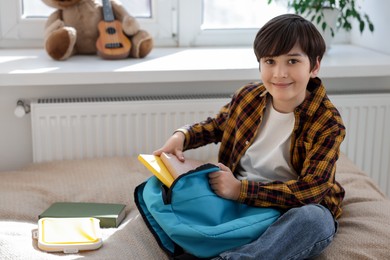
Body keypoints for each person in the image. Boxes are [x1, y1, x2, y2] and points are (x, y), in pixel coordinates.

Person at [154, 13, 346, 260]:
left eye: (292, 61)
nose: (279, 73)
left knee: (316, 220)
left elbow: (310, 192)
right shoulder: (247, 96)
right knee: (168, 186)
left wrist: (240, 191)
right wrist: (183, 135)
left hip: (286, 209)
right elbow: (217, 126)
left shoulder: (327, 122)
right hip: (235, 199)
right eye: (270, 61)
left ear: (314, 66)